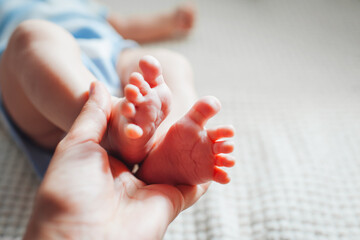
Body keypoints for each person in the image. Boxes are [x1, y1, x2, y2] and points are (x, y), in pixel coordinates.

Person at [0, 0, 235, 186]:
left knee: (171, 62)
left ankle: (167, 139)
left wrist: (168, 21)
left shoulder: (83, 4)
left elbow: (125, 25)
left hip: (110, 55)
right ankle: (109, 126)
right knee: (30, 38)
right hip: (48, 95)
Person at [24, 81, 210, 239]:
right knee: (33, 40)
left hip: (118, 65)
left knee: (171, 66)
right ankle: (113, 127)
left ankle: (161, 142)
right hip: (57, 119)